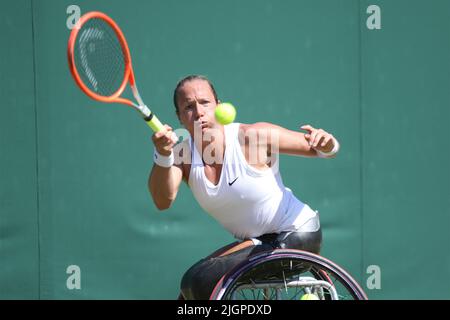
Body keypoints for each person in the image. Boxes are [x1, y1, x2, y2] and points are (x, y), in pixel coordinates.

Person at [148, 75, 340, 300]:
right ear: (180, 117)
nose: (199, 112)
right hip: (260, 243)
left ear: (218, 106)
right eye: (189, 107)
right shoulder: (183, 156)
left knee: (198, 281)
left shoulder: (252, 136)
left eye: (205, 102)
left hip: (297, 235)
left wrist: (327, 143)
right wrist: (163, 154)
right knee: (187, 294)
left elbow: (321, 148)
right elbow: (163, 200)